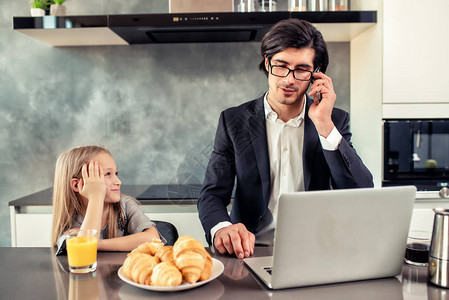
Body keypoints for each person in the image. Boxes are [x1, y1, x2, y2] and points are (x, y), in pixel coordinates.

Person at [197, 18, 374, 259]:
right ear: (268, 63)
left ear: (316, 73)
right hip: (250, 253)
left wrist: (324, 124)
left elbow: (361, 192)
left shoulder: (335, 121)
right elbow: (212, 195)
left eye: (301, 69)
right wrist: (222, 228)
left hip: (316, 251)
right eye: (281, 66)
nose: (289, 79)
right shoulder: (233, 120)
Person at [51, 145, 162, 253]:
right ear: (77, 185)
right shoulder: (71, 218)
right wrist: (96, 196)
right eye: (107, 174)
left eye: (116, 173)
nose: (118, 181)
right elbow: (83, 252)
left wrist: (97, 244)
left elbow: (153, 238)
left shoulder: (125, 206)